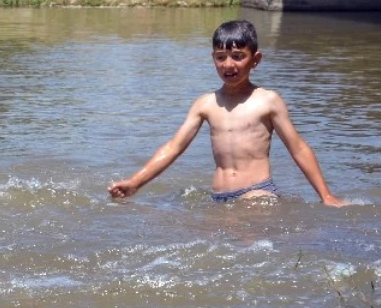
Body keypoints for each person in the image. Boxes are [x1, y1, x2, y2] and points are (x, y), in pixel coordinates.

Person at [108, 20, 345, 206]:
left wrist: (326, 195)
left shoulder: (268, 101)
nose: (228, 65)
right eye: (221, 58)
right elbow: (173, 147)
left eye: (238, 57)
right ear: (213, 59)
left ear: (256, 59)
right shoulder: (205, 104)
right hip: (219, 198)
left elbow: (298, 148)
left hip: (257, 195)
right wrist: (135, 182)